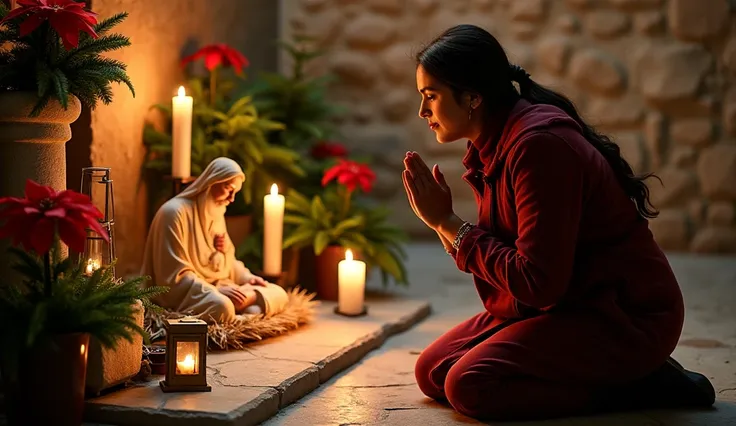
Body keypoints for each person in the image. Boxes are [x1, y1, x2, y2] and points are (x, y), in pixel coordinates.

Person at [403, 24, 715, 421]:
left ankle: (640, 383)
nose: (422, 112)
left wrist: (447, 223)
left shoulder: (538, 147)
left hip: (624, 317)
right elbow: (525, 276)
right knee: (432, 371)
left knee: (470, 385)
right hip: (562, 304)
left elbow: (537, 281)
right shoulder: (494, 145)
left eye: (430, 96)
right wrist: (443, 225)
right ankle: (610, 374)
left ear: (473, 97)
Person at [141, 157, 288, 323]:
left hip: (221, 286)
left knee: (279, 292)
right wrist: (215, 290)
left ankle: (248, 302)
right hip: (190, 291)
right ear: (212, 181)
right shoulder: (174, 213)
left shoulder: (217, 210)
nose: (231, 198)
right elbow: (173, 277)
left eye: (235, 192)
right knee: (222, 306)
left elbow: (228, 262)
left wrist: (246, 279)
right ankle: (247, 311)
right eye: (228, 189)